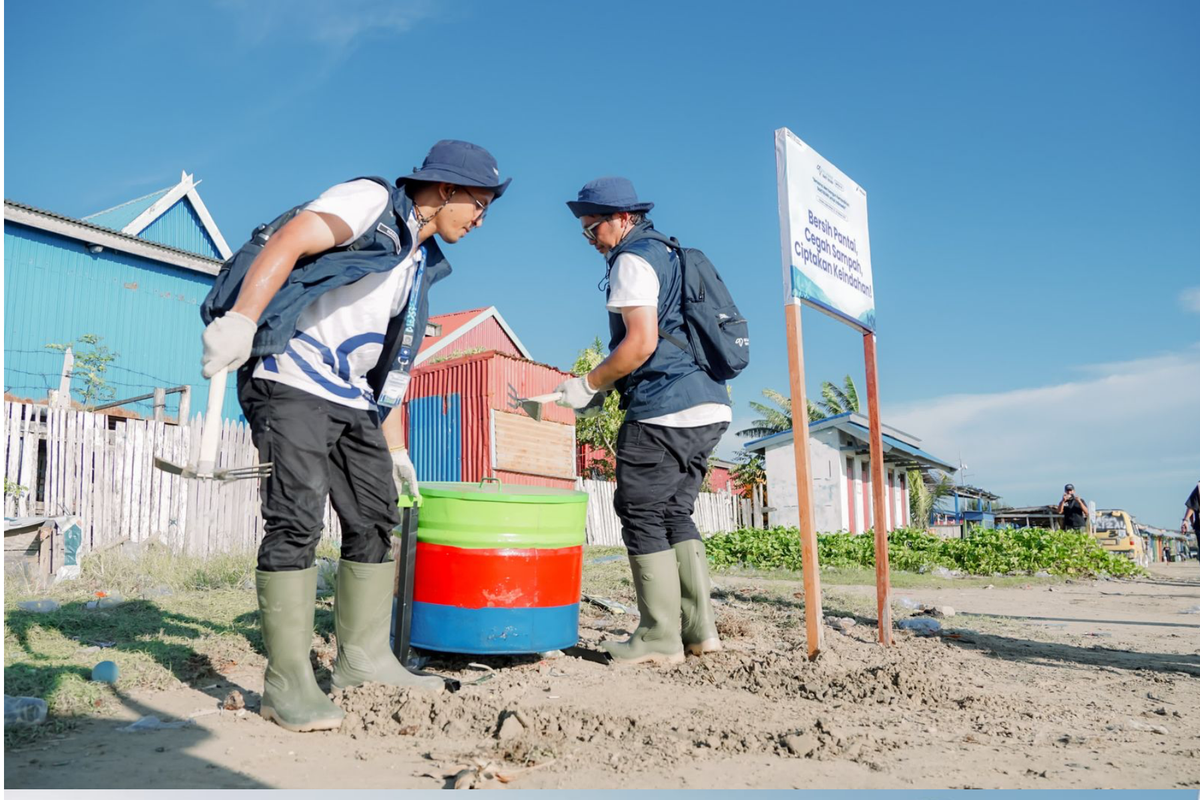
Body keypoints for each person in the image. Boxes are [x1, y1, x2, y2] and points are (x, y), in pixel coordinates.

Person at [199, 140, 510, 732]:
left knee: (374, 517)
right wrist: (241, 319)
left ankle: (362, 660)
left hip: (352, 398)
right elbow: (292, 239)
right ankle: (287, 681)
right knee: (296, 519)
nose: (479, 219)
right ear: (444, 189)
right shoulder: (370, 202)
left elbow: (388, 365)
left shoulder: (418, 262)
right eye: (478, 203)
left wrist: (397, 453)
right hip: (290, 376)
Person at [556, 177, 732, 665]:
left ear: (624, 219)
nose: (592, 241)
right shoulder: (671, 254)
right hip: (710, 404)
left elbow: (640, 344)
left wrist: (588, 384)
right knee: (674, 512)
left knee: (640, 510)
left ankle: (658, 637)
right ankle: (699, 631)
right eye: (586, 233)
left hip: (665, 405)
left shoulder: (632, 259)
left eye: (594, 230)